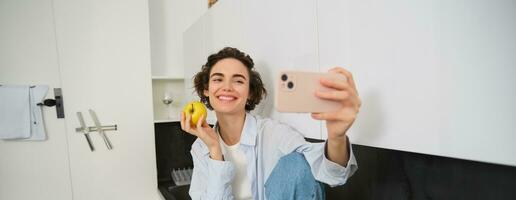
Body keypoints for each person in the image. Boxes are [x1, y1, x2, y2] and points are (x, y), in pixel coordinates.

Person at [180, 47, 361, 200]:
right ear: (206, 91)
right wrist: (214, 150)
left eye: (238, 80)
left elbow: (330, 172)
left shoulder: (273, 133)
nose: (227, 87)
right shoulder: (201, 148)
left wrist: (336, 137)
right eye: (218, 79)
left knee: (296, 163)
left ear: (250, 92)